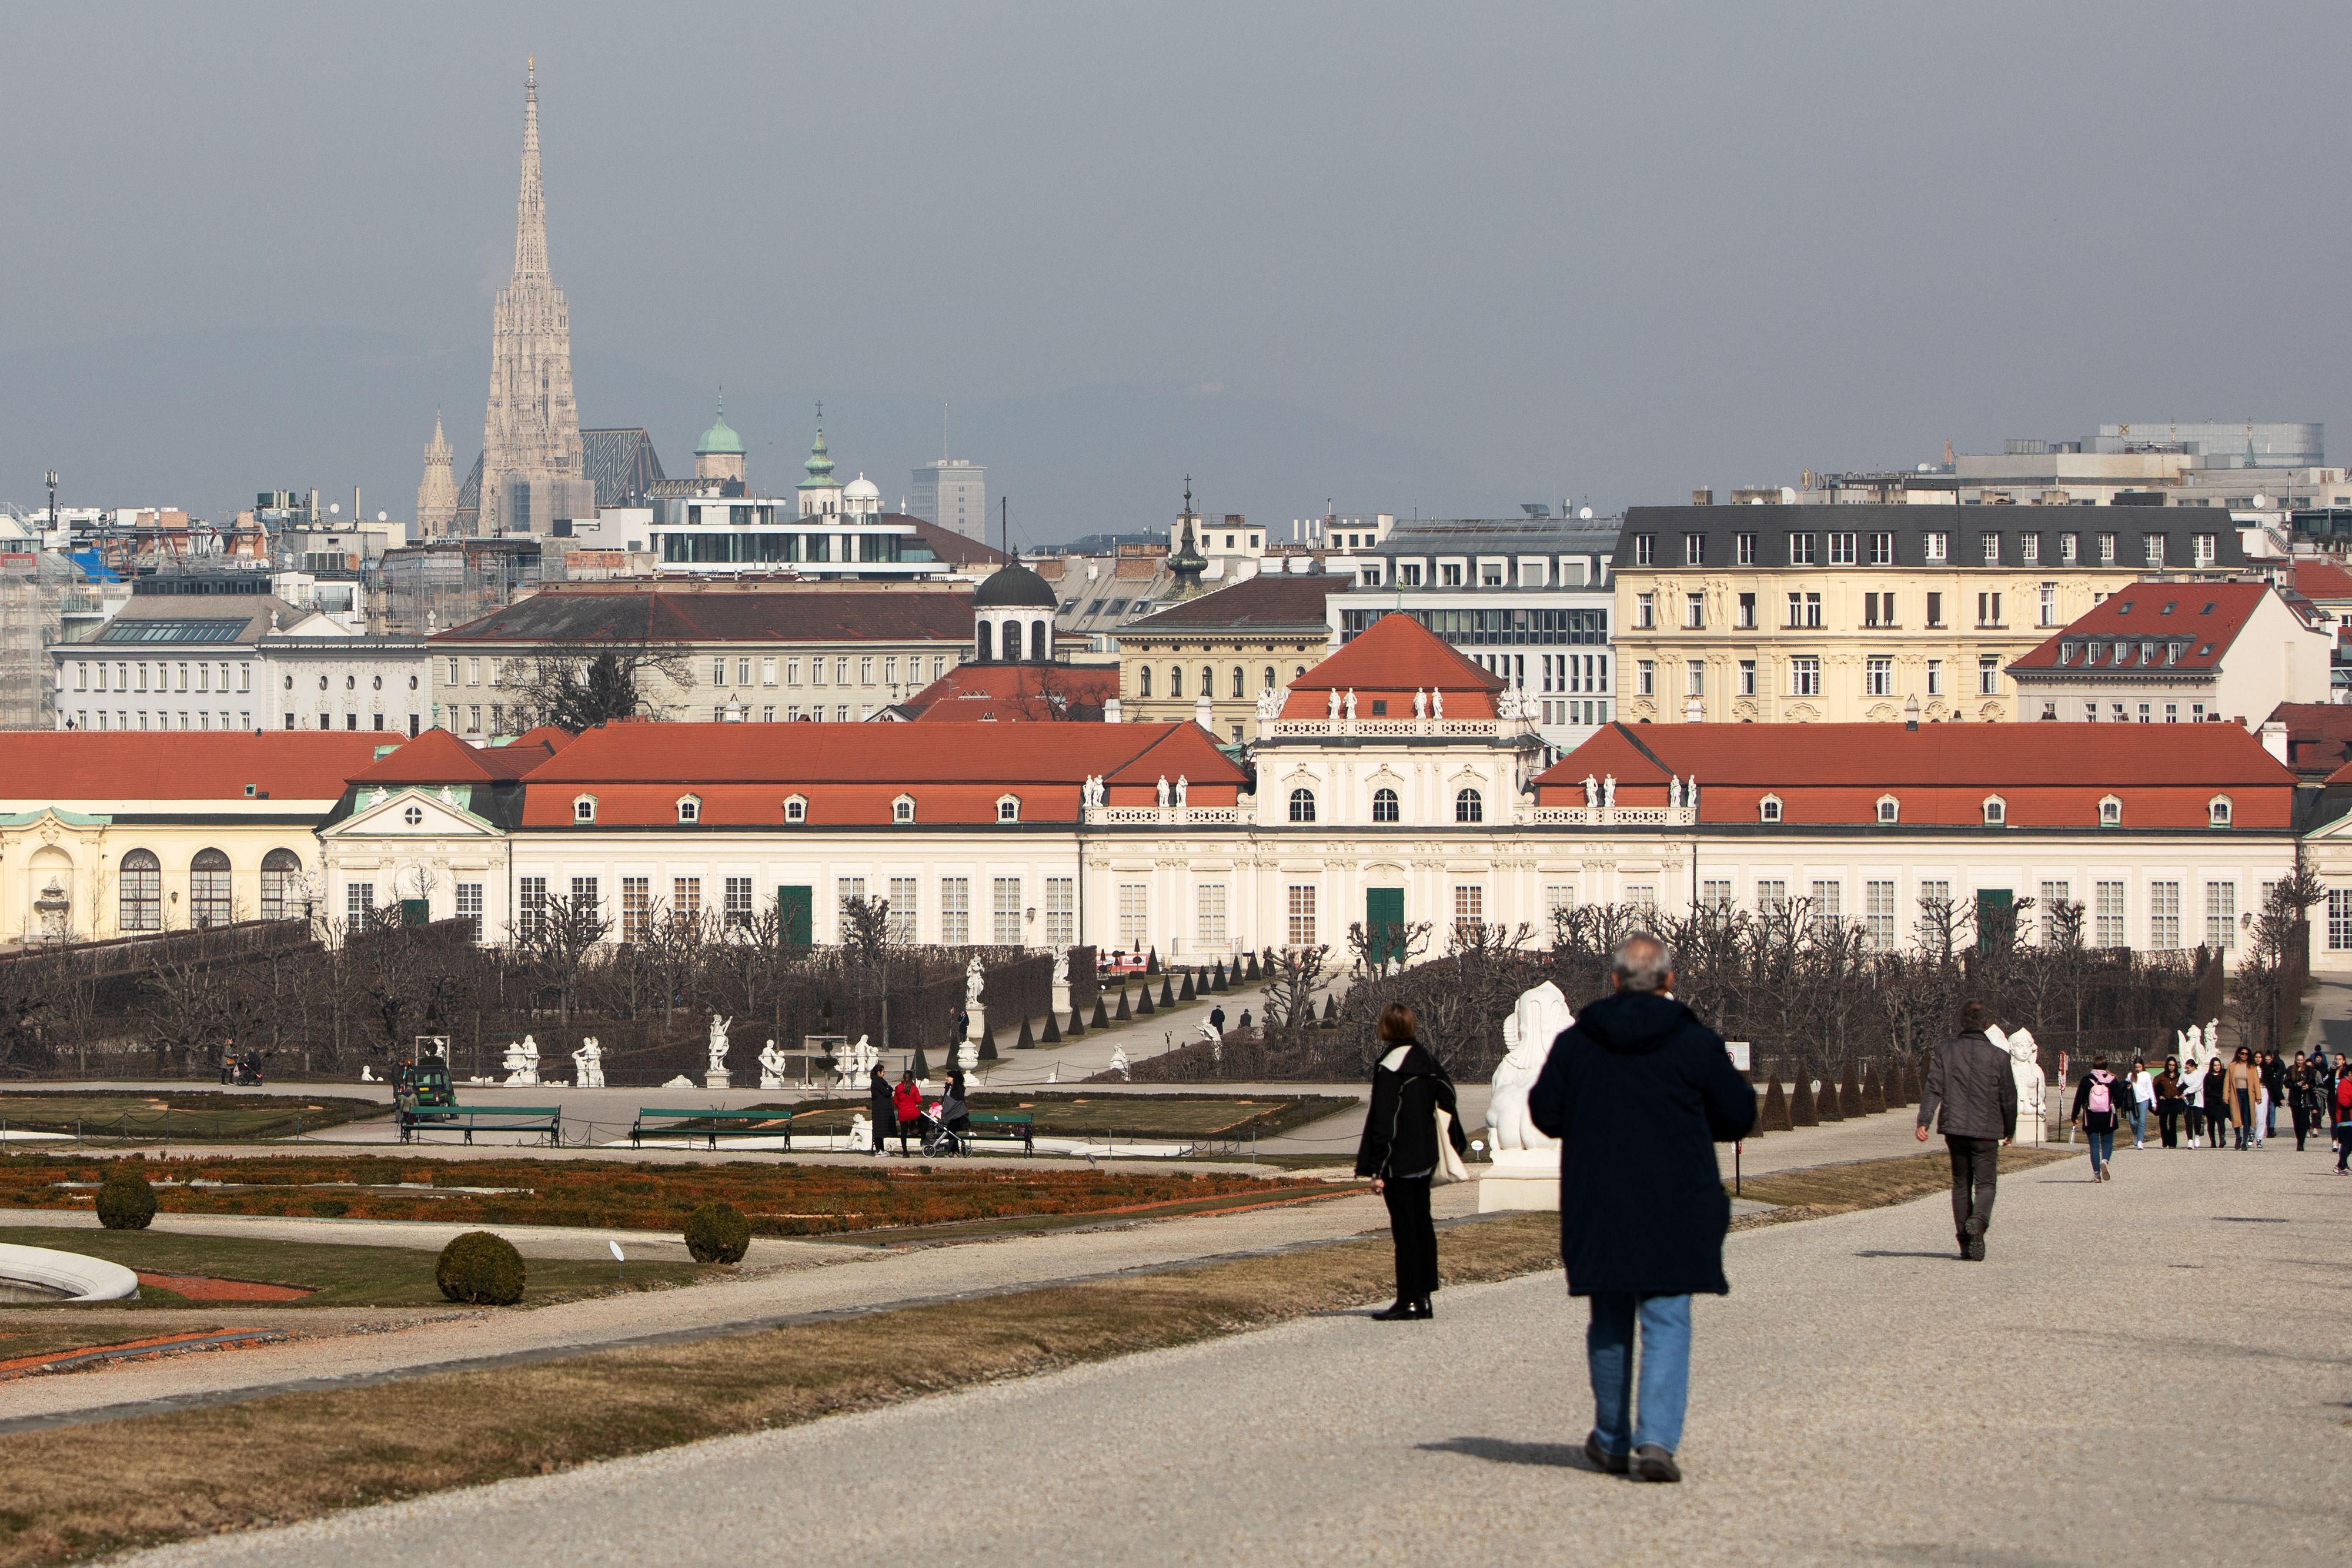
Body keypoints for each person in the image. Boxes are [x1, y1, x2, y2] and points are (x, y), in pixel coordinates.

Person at [1528, 932, 1756, 1485]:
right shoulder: (1694, 1041)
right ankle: (1655, 1440)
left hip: (1601, 1200)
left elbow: (1545, 1113)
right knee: (1668, 1318)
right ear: (1669, 980)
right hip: (1675, 1201)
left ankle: (1611, 1439)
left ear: (1614, 980)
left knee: (1609, 1319)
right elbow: (1737, 1115)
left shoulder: (1578, 1042)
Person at [1353, 1003, 1468, 1325]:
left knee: (1405, 1232)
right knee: (1422, 1226)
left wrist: (1377, 1168)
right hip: (1426, 1155)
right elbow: (1448, 1096)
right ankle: (1425, 1297)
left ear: (1386, 1028)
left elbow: (1384, 1120)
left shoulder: (1390, 1065)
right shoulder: (1426, 1059)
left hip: (1399, 1159)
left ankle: (1408, 1299)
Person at [1915, 1001, 2018, 1261]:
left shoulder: (1945, 1050)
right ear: (1986, 1024)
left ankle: (1964, 1242)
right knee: (1986, 1184)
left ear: (1961, 1022)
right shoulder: (1999, 1056)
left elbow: (1933, 1088)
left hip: (1956, 1128)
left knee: (1961, 1184)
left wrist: (1924, 1121)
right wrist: (2010, 1128)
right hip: (1987, 1129)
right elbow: (2008, 1097)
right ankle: (1979, 1221)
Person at [2070, 1056, 2123, 1181]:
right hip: (2108, 1116)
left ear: (2093, 1066)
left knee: (2094, 1145)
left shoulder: (2086, 1080)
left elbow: (2079, 1099)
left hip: (2091, 1117)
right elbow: (2120, 1098)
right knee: (2107, 1143)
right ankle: (2104, 1161)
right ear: (2106, 1066)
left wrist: (2074, 1115)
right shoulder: (2112, 1080)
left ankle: (2096, 1174)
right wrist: (2115, 1106)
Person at [2226, 1048, 2260, 1152]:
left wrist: (2258, 1096)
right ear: (2239, 1054)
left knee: (2246, 1117)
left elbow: (2256, 1082)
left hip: (2247, 1094)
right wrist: (2225, 1096)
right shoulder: (2232, 1066)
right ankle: (2238, 1137)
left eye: (2247, 1054)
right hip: (2235, 1093)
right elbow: (2227, 1081)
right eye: (2243, 1054)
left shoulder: (2251, 1067)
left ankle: (2244, 1141)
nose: (2245, 1056)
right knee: (2236, 1116)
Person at [2287, 1055, 2319, 1154]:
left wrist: (2308, 1086)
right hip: (2295, 1100)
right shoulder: (2291, 1069)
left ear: (2304, 1060)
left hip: (2306, 1099)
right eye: (2298, 1060)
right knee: (2296, 1122)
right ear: (2295, 1060)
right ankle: (2299, 1139)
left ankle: (2301, 1143)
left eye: (2301, 1060)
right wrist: (2296, 1085)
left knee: (2304, 1121)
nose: (2300, 1062)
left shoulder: (2309, 1070)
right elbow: (2286, 1083)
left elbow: (2314, 1083)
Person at [2201, 1055, 2231, 1151]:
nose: (2217, 1067)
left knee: (2221, 1120)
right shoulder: (2208, 1076)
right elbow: (2206, 1090)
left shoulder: (2224, 1074)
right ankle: (2213, 1141)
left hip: (2221, 1101)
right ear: (2212, 1066)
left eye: (2218, 1065)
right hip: (2211, 1102)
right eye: (2215, 1065)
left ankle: (2222, 1138)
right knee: (2211, 1123)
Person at [2154, 1058, 2184, 1150]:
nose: (2172, 1067)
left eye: (2173, 1065)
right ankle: (2165, 1139)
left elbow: (2184, 1087)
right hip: (2164, 1101)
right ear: (2167, 1066)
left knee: (2173, 1122)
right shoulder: (2161, 1076)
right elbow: (2154, 1087)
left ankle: (2173, 1143)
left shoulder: (2179, 1077)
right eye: (2170, 1065)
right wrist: (2159, 1096)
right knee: (2163, 1121)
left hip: (2175, 1101)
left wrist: (2179, 1095)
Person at [867, 1064, 895, 1158]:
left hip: (882, 1110)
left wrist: (889, 1089)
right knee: (878, 1130)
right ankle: (878, 1150)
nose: (884, 1073)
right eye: (883, 1072)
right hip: (879, 1110)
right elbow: (887, 1092)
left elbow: (889, 1089)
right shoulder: (876, 1082)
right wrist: (889, 1089)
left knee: (881, 1130)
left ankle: (882, 1149)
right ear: (878, 1072)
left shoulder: (880, 1081)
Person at [892, 1070, 923, 1155]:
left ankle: (905, 1151)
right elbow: (918, 1100)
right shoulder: (914, 1088)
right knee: (925, 1121)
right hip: (913, 1112)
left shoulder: (899, 1087)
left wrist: (900, 1107)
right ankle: (922, 1136)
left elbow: (896, 1101)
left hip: (903, 1112)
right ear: (912, 1078)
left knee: (904, 1132)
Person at [2127, 1056, 2153, 1150]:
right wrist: (2128, 1086)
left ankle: (2140, 1141)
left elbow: (2150, 1089)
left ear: (2142, 1066)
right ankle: (2135, 1134)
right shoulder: (2130, 1075)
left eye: (2139, 1067)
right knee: (2132, 1122)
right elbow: (2125, 1085)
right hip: (2133, 1101)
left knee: (2142, 1121)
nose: (2138, 1069)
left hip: (2144, 1100)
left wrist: (2153, 1102)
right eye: (2136, 1067)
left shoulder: (2146, 1075)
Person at [2261, 1050, 2286, 1141]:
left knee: (2272, 1110)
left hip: (2273, 1091)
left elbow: (2279, 1079)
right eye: (2266, 1060)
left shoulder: (2276, 1067)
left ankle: (2271, 1128)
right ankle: (2268, 1127)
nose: (2267, 1061)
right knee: (2266, 1110)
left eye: (2269, 1060)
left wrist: (2280, 1093)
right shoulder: (2262, 1068)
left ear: (2272, 1059)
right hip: (2265, 1090)